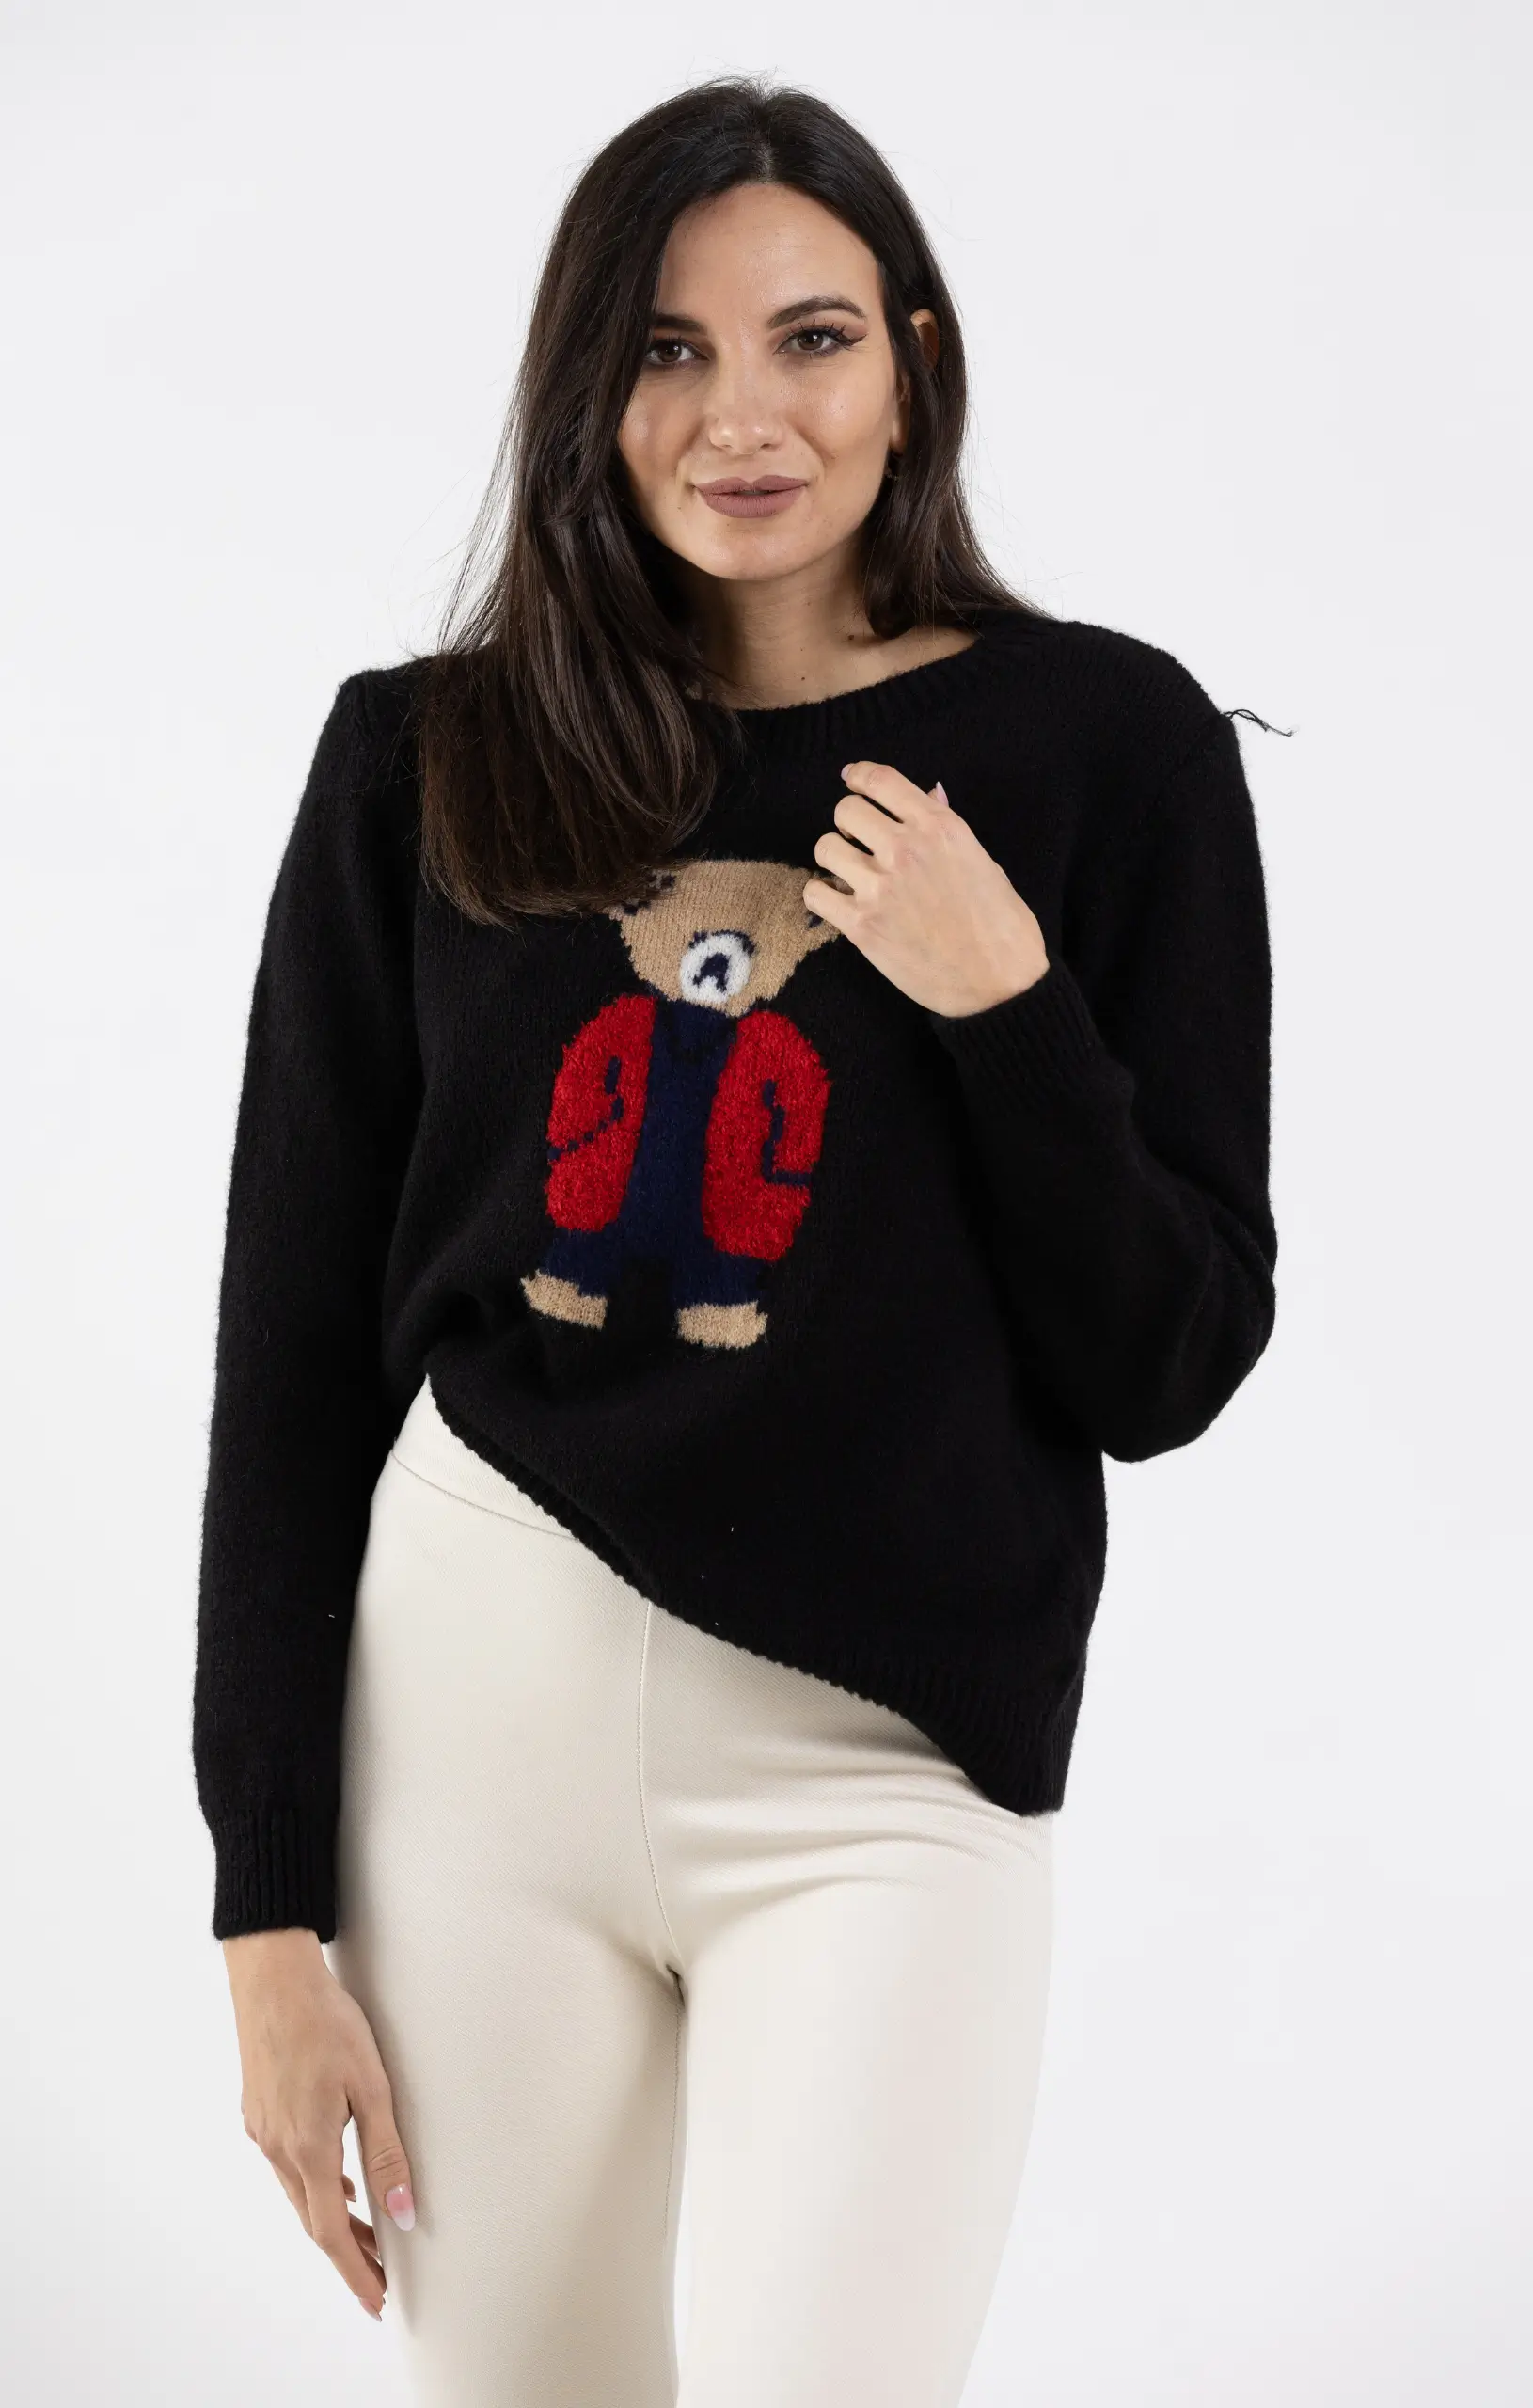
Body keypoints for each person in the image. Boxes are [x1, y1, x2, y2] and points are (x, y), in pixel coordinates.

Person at [193, 74, 1277, 2408]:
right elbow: (287, 1354)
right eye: (666, 350)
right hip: (467, 1741)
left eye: (809, 338)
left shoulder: (1107, 748)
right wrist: (265, 1906)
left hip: (881, 1767)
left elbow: (1167, 1357)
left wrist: (1002, 1000)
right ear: (587, 386)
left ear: (911, 358)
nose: (740, 416)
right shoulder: (426, 759)